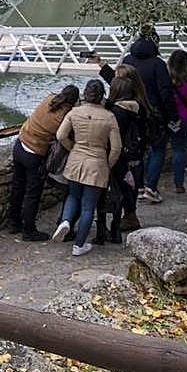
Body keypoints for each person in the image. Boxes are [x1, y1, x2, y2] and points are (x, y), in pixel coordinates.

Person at [53, 79, 122, 257]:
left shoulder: (74, 112)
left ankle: (66, 221)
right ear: (102, 96)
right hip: (97, 163)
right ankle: (79, 245)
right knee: (88, 206)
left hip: (76, 159)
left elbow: (60, 135)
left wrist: (72, 147)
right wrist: (108, 164)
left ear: (85, 94)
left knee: (73, 196)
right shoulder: (109, 117)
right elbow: (116, 148)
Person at [7, 85, 79, 241]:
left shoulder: (50, 98)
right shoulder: (66, 115)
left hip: (20, 144)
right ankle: (29, 231)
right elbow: (62, 136)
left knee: (18, 186)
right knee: (32, 193)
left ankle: (14, 222)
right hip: (34, 153)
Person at [121, 28, 176, 202]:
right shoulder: (158, 64)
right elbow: (165, 92)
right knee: (158, 148)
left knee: (136, 151)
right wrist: (173, 116)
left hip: (132, 111)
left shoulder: (128, 60)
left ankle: (138, 187)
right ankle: (151, 188)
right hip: (154, 113)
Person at [103, 72, 148, 239]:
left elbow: (114, 138)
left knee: (118, 188)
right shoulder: (139, 106)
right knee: (131, 185)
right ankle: (130, 215)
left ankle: (118, 224)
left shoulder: (117, 112)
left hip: (121, 154)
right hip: (136, 152)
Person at [155, 49, 187, 194]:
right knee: (179, 150)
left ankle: (151, 184)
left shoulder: (164, 80)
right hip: (183, 118)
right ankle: (179, 184)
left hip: (165, 118)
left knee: (157, 150)